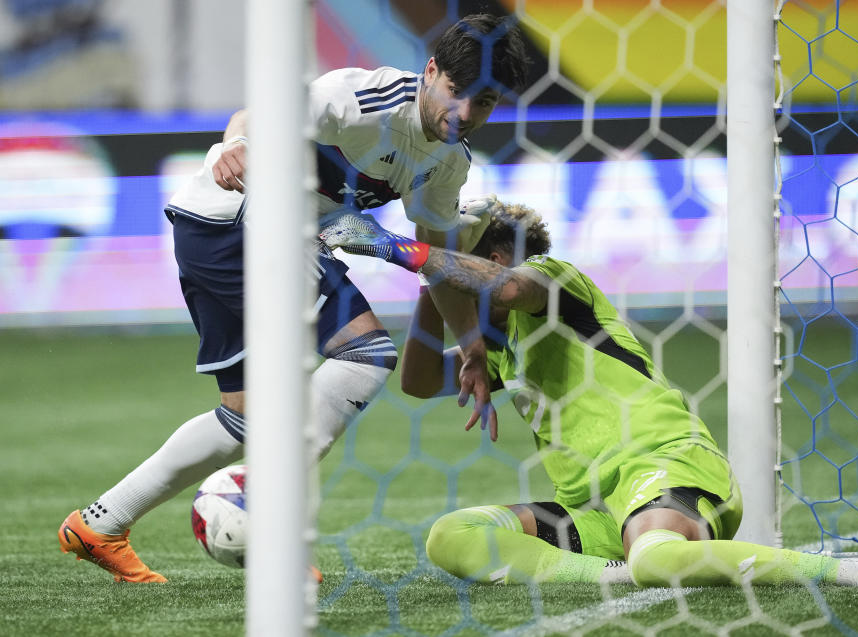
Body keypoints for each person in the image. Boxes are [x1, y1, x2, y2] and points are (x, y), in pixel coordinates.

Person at [58, 14, 528, 583]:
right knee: (367, 356)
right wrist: (235, 145)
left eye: (484, 104)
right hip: (237, 219)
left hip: (216, 230)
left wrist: (473, 345)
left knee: (245, 417)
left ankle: (99, 523)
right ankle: (272, 527)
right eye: (458, 94)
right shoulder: (360, 98)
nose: (465, 115)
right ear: (431, 71)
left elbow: (436, 264)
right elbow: (252, 117)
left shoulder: (449, 161)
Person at [314, 202, 858, 591]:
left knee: (658, 558)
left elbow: (506, 290)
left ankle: (849, 571)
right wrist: (430, 282)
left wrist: (408, 250)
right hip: (600, 512)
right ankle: (612, 575)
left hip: (666, 464)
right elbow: (418, 382)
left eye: (457, 261)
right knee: (452, 536)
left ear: (497, 256)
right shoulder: (495, 351)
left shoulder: (557, 284)